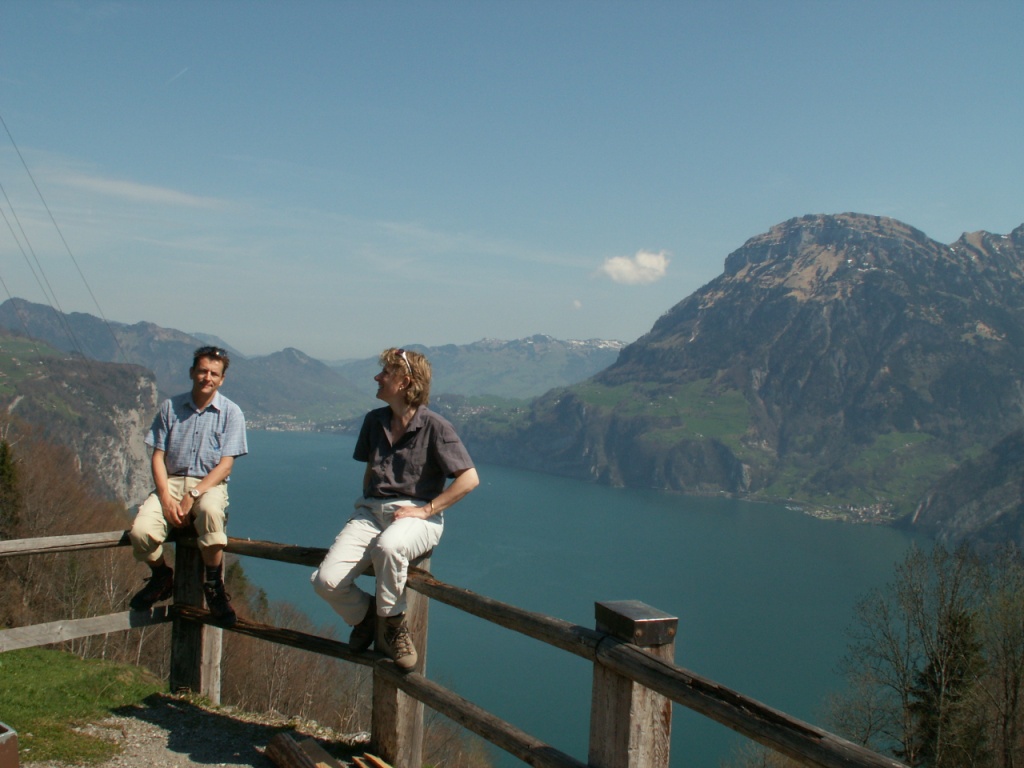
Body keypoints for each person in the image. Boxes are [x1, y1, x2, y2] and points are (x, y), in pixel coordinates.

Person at [312, 347, 479, 672]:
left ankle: (393, 625)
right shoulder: (374, 421)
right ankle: (365, 617)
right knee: (326, 581)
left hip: (416, 516)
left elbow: (469, 479)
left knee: (390, 547)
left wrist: (427, 510)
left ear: (405, 382)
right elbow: (370, 472)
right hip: (371, 512)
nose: (377, 377)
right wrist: (368, 506)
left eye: (385, 373)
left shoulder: (435, 426)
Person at [128, 345, 248, 627]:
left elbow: (225, 466)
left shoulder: (231, 413)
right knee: (140, 532)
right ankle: (161, 576)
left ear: (222, 379)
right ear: (192, 372)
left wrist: (193, 494)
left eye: (214, 374)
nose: (208, 377)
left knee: (210, 513)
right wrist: (166, 498)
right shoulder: (170, 408)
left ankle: (214, 585)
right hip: (170, 482)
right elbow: (157, 456)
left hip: (209, 484)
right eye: (203, 371)